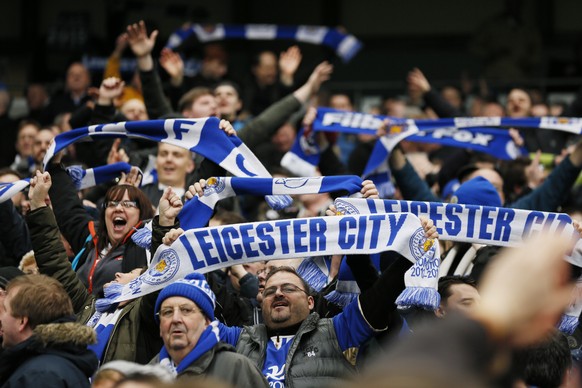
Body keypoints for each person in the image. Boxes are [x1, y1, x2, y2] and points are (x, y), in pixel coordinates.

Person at [344, 232, 575, 387]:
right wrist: (356, 236)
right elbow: (377, 294)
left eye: (483, 304)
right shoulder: (413, 339)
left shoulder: (500, 353)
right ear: (439, 309)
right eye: (466, 303)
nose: (481, 311)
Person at [27, 170, 182, 364]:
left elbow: (161, 275)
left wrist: (165, 224)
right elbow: (55, 264)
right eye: (112, 204)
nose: (118, 273)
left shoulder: (141, 318)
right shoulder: (89, 307)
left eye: (127, 204)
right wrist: (38, 205)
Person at [46, 156, 155, 296]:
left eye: (128, 204)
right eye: (112, 204)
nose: (118, 208)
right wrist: (55, 166)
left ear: (142, 214)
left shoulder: (147, 248)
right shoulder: (91, 238)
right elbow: (69, 210)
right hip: (78, 315)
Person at [152, 273, 269, 387]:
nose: (175, 319)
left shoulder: (237, 368)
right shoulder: (146, 374)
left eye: (186, 310)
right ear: (160, 327)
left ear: (207, 322)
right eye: (167, 312)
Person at [0, 274, 98, 387]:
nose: (1, 318)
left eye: (6, 310)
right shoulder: (51, 366)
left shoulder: (39, 376)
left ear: (22, 322)